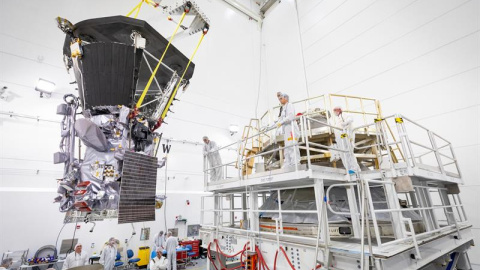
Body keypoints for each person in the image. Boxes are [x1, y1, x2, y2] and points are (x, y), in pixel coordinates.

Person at [273, 93, 300, 168]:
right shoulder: (283, 108)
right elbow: (280, 119)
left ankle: (295, 162)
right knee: (287, 146)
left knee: (291, 145)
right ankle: (288, 163)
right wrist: (275, 124)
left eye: (281, 98)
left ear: (286, 98)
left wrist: (281, 122)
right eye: (279, 99)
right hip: (286, 129)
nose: (280, 100)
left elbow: (291, 116)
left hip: (291, 128)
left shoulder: (289, 105)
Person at [331, 106, 359, 174]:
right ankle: (349, 169)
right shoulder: (336, 119)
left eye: (335, 110)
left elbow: (350, 119)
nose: (335, 112)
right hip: (341, 139)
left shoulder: (345, 114)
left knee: (349, 153)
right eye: (334, 110)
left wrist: (345, 123)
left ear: (339, 110)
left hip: (347, 136)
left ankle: (355, 169)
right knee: (343, 154)